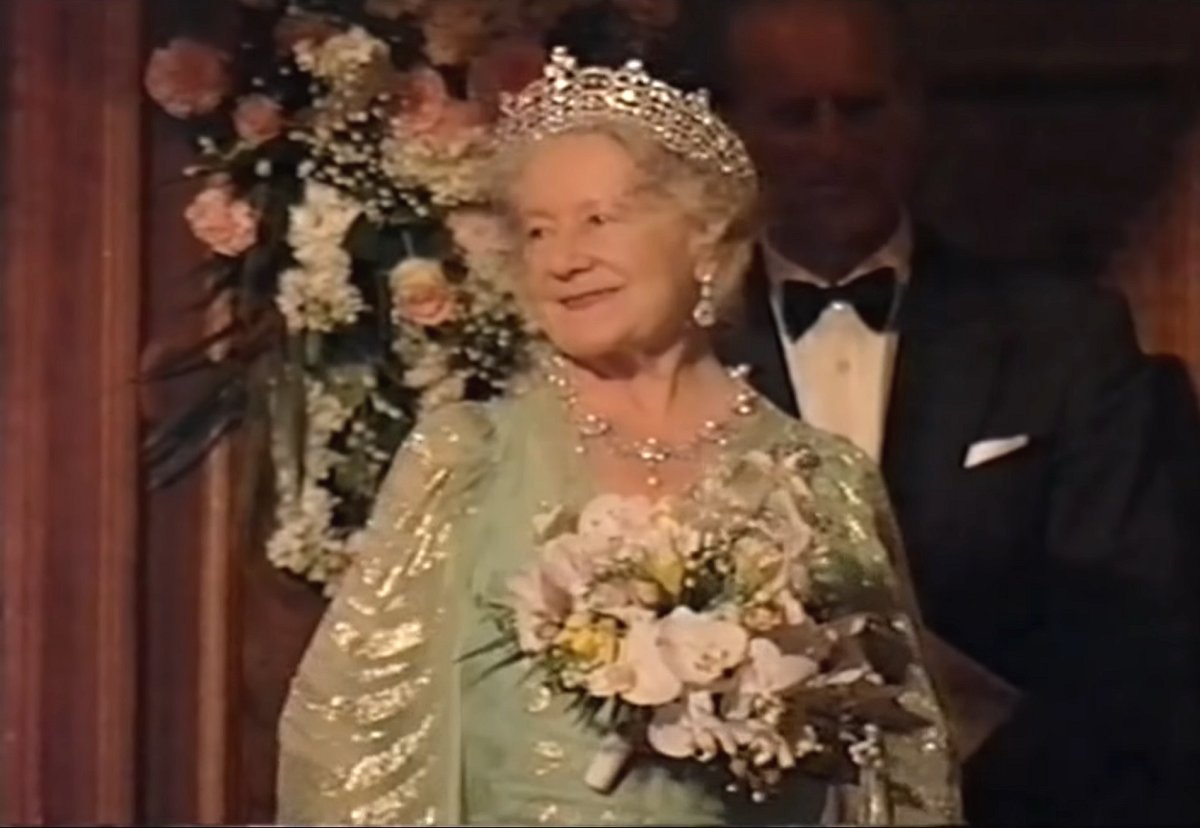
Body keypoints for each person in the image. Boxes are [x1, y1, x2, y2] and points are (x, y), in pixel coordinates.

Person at [275, 49, 961, 826]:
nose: (564, 260)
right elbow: (356, 749)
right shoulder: (464, 460)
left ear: (705, 234)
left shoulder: (820, 479)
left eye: (598, 220)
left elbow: (899, 770)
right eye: (537, 232)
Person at [704, 0, 1197, 823]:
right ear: (734, 129)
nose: (832, 146)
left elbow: (1138, 642)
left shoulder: (1065, 342)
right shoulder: (681, 353)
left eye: (860, 109)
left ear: (917, 111)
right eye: (795, 115)